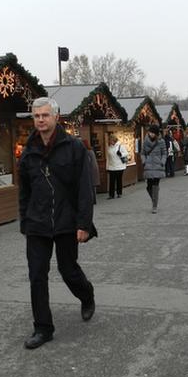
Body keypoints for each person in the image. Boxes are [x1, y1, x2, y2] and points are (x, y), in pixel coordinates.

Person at [18, 97, 95, 349]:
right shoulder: (28, 151)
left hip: (66, 221)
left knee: (68, 269)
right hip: (37, 223)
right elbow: (24, 191)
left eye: (45, 115)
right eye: (36, 116)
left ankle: (86, 294)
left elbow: (85, 189)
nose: (40, 119)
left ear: (56, 117)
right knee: (37, 275)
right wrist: (25, 220)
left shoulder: (74, 147)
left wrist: (83, 223)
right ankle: (43, 328)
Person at [142, 124, 167, 214]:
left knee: (155, 185)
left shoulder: (161, 142)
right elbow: (143, 153)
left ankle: (154, 206)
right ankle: (154, 199)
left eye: (153, 133)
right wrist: (144, 161)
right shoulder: (145, 141)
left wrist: (162, 162)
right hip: (148, 166)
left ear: (156, 133)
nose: (151, 134)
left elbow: (164, 153)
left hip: (158, 166)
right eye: (150, 132)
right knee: (149, 186)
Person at [105, 134, 127, 199]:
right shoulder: (109, 147)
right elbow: (108, 158)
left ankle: (119, 193)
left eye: (111, 140)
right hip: (112, 166)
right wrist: (107, 167)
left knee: (119, 180)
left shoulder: (120, 146)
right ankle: (111, 195)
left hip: (120, 166)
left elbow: (126, 153)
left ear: (114, 140)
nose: (110, 142)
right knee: (111, 181)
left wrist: (121, 154)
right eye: (109, 140)